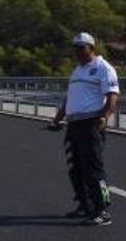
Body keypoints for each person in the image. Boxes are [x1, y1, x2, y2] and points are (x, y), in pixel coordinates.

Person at [50, 32, 120, 226]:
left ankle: (102, 211)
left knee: (93, 169)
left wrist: (104, 117)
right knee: (76, 169)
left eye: (81, 47)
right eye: (75, 48)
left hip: (91, 123)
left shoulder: (102, 68)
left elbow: (112, 95)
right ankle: (85, 205)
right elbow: (69, 98)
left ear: (92, 48)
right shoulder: (77, 70)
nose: (77, 51)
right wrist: (57, 119)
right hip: (74, 124)